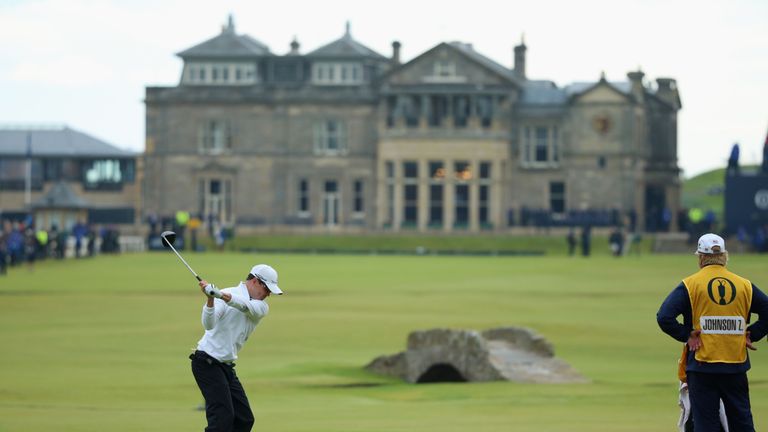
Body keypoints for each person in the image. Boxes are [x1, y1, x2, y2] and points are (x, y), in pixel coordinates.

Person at [657, 233, 768, 431]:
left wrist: (687, 335)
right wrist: (753, 333)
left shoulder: (690, 285)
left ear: (700, 257)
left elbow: (664, 317)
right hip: (736, 366)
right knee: (742, 423)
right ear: (724, 256)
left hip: (702, 367)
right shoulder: (744, 285)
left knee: (705, 425)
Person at [190, 264, 284, 432]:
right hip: (206, 363)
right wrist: (210, 299)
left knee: (244, 419)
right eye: (267, 289)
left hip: (225, 366)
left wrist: (220, 295)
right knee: (221, 420)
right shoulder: (226, 293)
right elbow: (208, 324)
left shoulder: (261, 306)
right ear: (255, 281)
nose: (268, 294)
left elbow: (244, 306)